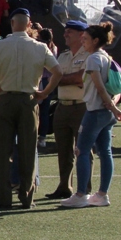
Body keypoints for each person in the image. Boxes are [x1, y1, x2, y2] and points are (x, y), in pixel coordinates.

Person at [0, 9, 62, 210]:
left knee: (2, 150)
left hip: (5, 99)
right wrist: (45, 92)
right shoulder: (40, 47)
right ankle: (26, 197)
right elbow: (58, 71)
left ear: (12, 23)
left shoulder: (0, 45)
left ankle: (4, 197)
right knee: (28, 150)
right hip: (28, 100)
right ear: (29, 24)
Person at [60, 22, 121, 208]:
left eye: (86, 38)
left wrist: (112, 107)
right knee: (105, 152)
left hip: (96, 111)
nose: (83, 40)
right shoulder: (106, 57)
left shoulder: (93, 59)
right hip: (105, 113)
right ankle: (102, 194)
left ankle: (81, 194)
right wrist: (113, 106)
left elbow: (99, 86)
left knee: (81, 150)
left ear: (95, 40)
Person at [45, 20, 90, 200]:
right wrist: (61, 79)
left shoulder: (89, 55)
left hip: (81, 106)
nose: (65, 35)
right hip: (62, 106)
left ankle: (84, 189)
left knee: (83, 149)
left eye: (69, 32)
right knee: (63, 150)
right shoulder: (62, 56)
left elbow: (80, 78)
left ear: (81, 35)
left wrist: (59, 79)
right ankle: (64, 187)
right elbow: (52, 76)